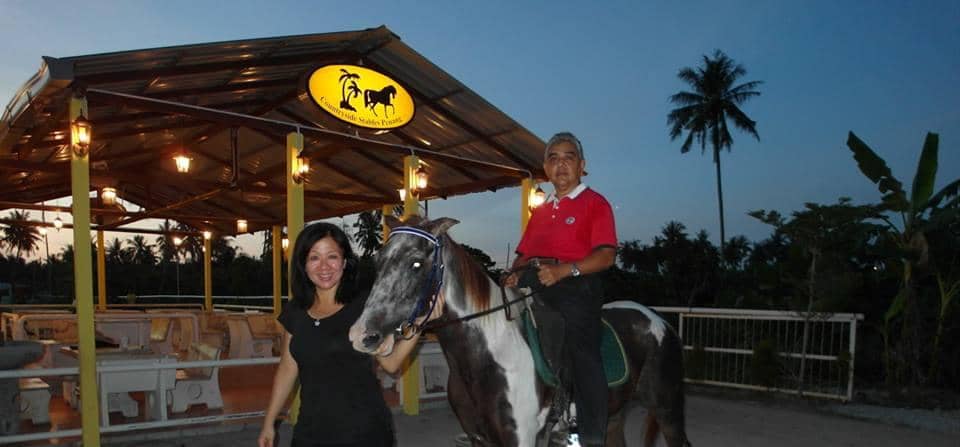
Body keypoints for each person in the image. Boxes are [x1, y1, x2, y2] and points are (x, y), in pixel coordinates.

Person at [258, 222, 440, 447]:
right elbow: (287, 368)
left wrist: (420, 323)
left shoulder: (364, 307)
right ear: (303, 264)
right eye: (314, 257)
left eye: (332, 256)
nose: (324, 266)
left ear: (344, 262)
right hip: (309, 432)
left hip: (363, 432)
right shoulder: (295, 311)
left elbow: (391, 363)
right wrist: (268, 422)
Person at [503, 132, 617, 447]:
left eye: (568, 157)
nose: (560, 164)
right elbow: (524, 254)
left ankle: (589, 435)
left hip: (577, 283)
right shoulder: (540, 211)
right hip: (535, 277)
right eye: (553, 158)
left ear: (582, 166)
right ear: (545, 167)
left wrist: (565, 270)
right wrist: (514, 274)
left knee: (584, 354)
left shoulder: (595, 203)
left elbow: (606, 255)